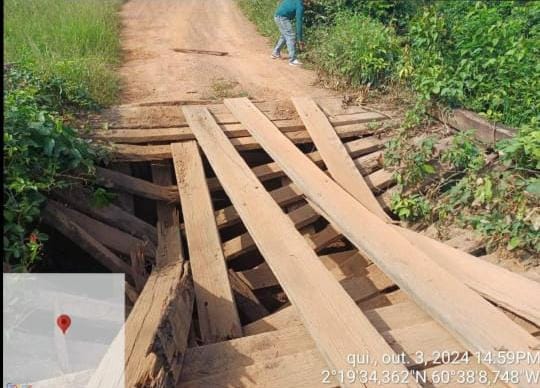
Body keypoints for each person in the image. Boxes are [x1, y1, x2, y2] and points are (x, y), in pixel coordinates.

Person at [271, 0, 305, 66]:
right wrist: (300, 39)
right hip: (282, 18)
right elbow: (299, 22)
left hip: (278, 16)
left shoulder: (297, 1)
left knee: (285, 35)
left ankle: (275, 53)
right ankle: (292, 60)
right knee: (291, 36)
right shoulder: (300, 5)